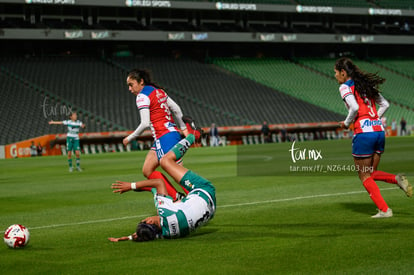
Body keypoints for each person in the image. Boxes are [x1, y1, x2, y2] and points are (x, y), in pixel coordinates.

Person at [334, 57, 412, 218]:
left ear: (343, 73)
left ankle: (384, 210)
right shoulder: (365, 85)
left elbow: (354, 107)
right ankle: (396, 179)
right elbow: (385, 104)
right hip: (378, 130)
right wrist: (373, 119)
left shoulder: (345, 86)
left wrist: (347, 123)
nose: (335, 76)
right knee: (371, 171)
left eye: (335, 72)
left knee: (364, 175)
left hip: (364, 133)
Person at [109, 134, 216, 242]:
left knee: (162, 195)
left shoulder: (166, 234)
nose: (146, 218)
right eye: (144, 220)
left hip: (210, 210)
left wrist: (130, 237)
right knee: (165, 161)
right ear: (150, 222)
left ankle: (179, 198)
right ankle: (193, 135)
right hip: (203, 190)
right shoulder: (164, 210)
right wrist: (131, 186)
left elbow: (149, 234)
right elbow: (159, 183)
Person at [122, 69, 201, 197]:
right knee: (147, 170)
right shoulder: (159, 91)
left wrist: (130, 138)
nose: (130, 89)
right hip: (168, 135)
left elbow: (145, 123)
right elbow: (176, 109)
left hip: (164, 137)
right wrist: (183, 129)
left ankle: (198, 197)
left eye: (131, 85)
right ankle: (176, 197)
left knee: (177, 174)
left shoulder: (142, 96)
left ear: (141, 82)